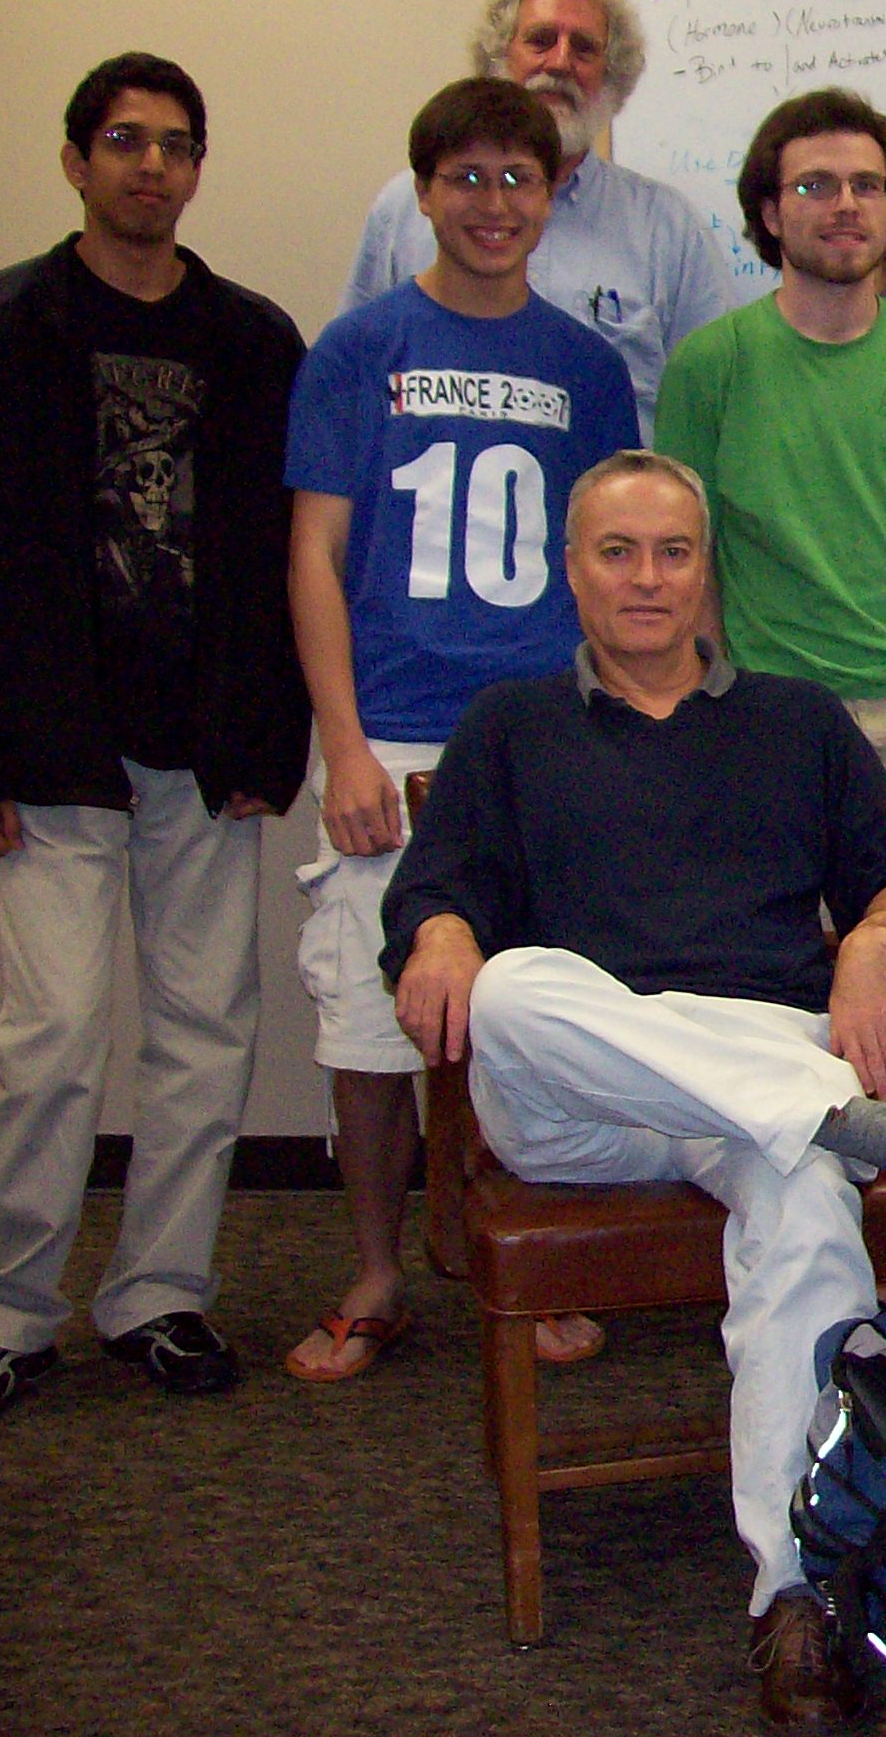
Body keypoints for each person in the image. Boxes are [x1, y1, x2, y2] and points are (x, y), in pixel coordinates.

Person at [376, 450, 886, 1728]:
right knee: (511, 990)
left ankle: (796, 1595)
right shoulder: (510, 725)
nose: (647, 578)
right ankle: (866, 1127)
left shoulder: (797, 719)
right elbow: (430, 890)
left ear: (705, 570)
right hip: (584, 1095)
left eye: (673, 551)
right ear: (573, 572)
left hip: (754, 1075)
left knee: (802, 1218)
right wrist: (441, 928)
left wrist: (862, 942)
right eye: (617, 551)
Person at [0, 52, 307, 1420]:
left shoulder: (257, 341)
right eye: (127, 142)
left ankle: (160, 1294)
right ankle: (7, 1312)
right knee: (52, 1038)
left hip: (204, 746)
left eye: (178, 146)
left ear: (198, 168)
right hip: (47, 744)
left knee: (207, 1030)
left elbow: (280, 559)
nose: (153, 167)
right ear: (75, 159)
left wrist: (274, 740)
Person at [282, 77, 641, 1383]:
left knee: (534, 1016)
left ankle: (537, 1254)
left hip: (538, 734)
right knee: (371, 1031)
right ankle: (377, 1271)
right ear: (424, 190)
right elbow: (314, 552)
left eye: (521, 180)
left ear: (554, 197)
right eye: (468, 178)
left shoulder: (584, 365)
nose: (495, 205)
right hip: (394, 727)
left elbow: (614, 563)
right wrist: (345, 741)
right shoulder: (358, 348)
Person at [655, 89, 886, 1059]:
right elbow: (690, 559)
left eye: (864, 185)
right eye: (814, 185)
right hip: (769, 712)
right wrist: (713, 696)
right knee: (782, 985)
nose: (843, 204)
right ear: (770, 212)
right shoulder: (708, 365)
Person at [344, 0, 733, 437]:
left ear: (612, 74)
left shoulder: (668, 229)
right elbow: (354, 387)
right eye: (541, 39)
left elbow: (720, 406)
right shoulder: (404, 208)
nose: (560, 62)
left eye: (584, 48)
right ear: (499, 56)